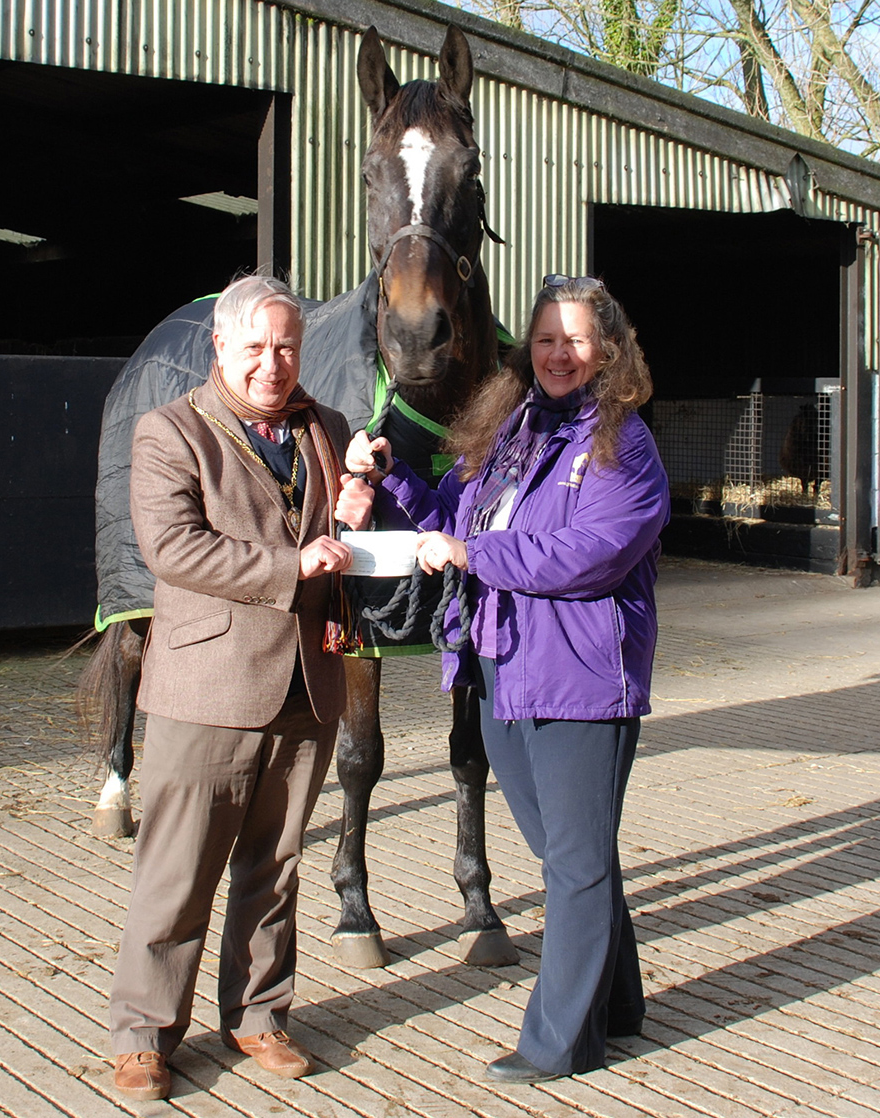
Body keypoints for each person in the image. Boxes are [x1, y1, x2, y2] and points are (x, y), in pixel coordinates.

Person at [346, 274, 670, 1082]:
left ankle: (559, 1041)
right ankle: (621, 1004)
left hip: (580, 678)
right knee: (570, 852)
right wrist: (391, 480)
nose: (560, 354)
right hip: (496, 670)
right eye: (547, 339)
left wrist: (476, 556)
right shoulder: (513, 427)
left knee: (576, 862)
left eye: (577, 340)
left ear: (609, 350)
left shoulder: (622, 441)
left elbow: (593, 552)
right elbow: (455, 520)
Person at [109, 274, 373, 1101]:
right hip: (207, 687)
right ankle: (145, 1034)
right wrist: (293, 566)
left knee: (276, 864)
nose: (272, 363)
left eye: (287, 346)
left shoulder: (327, 428)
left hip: (307, 680)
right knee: (180, 867)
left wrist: (360, 506)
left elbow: (336, 536)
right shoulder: (170, 432)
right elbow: (174, 549)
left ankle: (258, 1015)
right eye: (255, 347)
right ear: (219, 346)